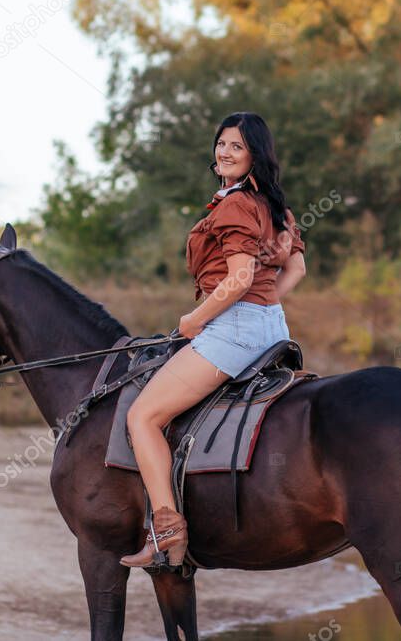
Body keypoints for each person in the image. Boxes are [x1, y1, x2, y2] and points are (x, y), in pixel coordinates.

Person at [120, 112, 307, 568]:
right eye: (221, 143)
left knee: (142, 417)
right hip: (272, 327)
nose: (224, 152)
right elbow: (295, 270)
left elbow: (240, 278)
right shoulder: (276, 207)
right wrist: (262, 308)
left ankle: (167, 532)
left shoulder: (235, 206)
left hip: (234, 328)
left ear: (254, 156)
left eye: (236, 147)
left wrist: (195, 318)